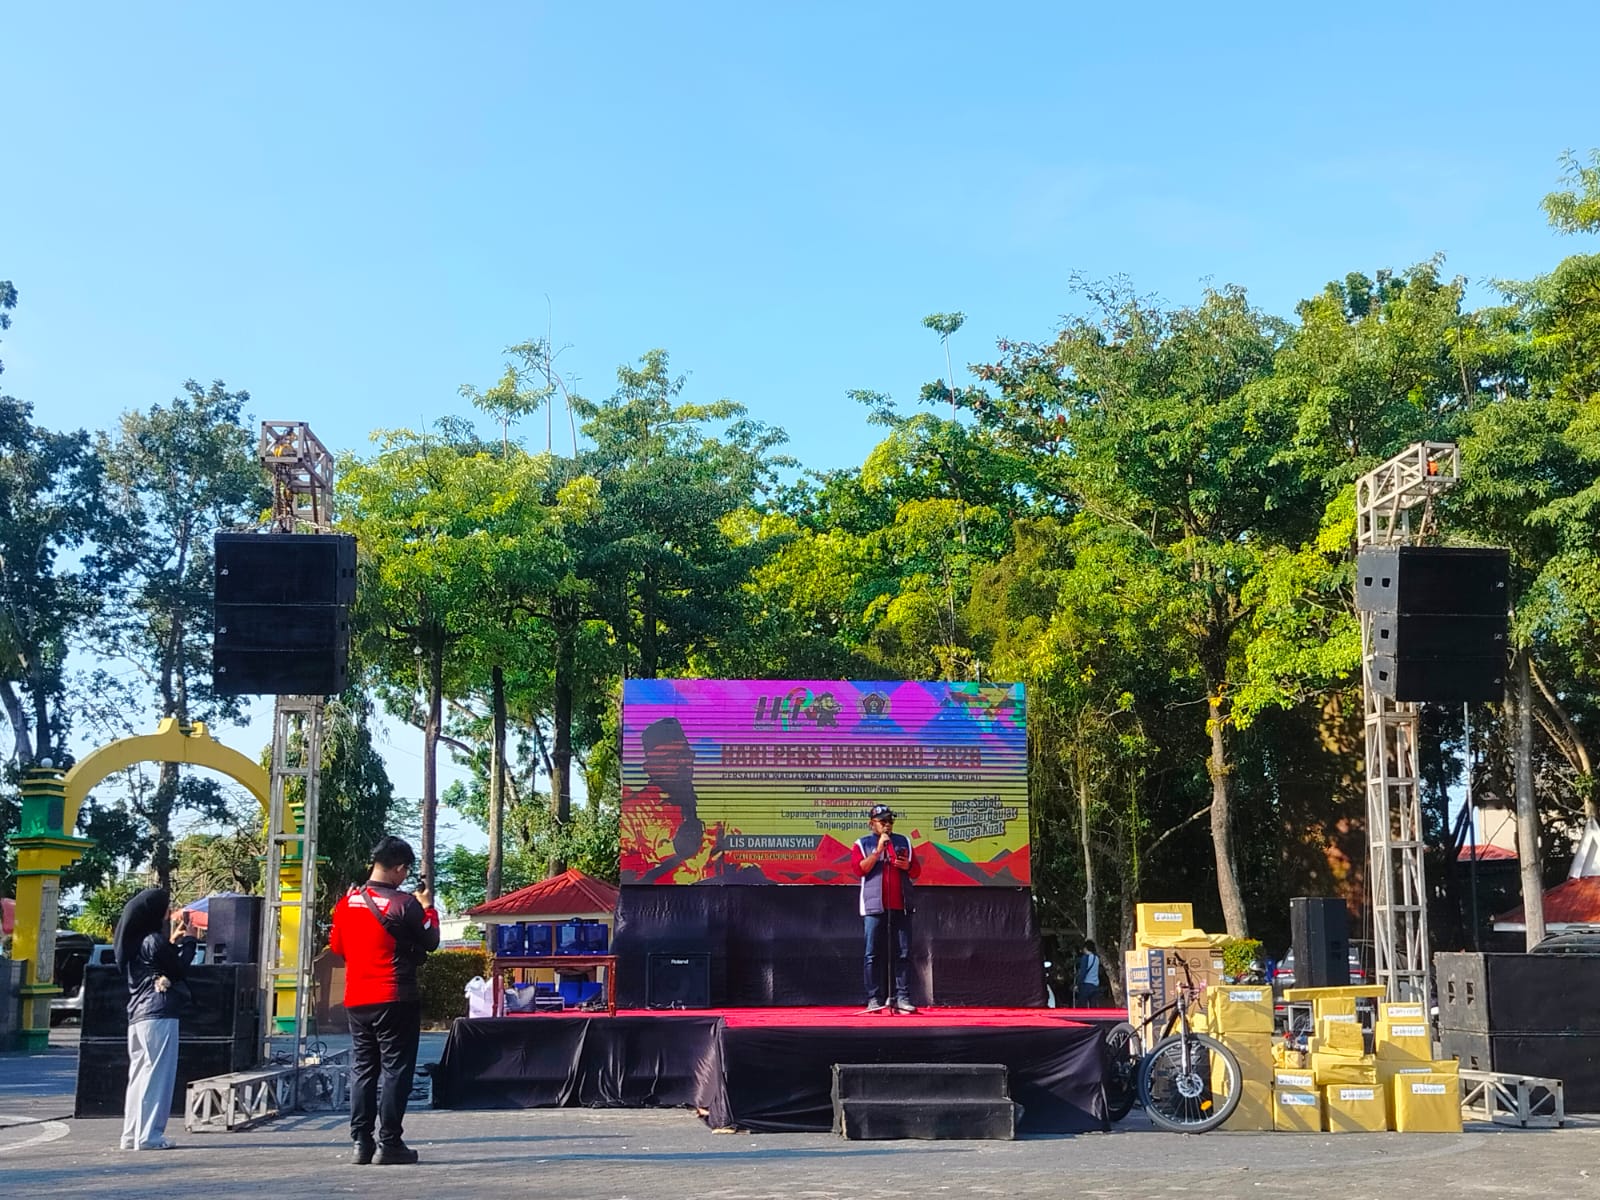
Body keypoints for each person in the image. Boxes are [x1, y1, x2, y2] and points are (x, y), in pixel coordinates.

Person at [329, 835, 440, 1165]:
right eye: (405, 871)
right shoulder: (404, 904)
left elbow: (337, 948)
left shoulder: (347, 902)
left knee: (363, 1069)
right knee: (395, 1070)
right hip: (394, 996)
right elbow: (431, 940)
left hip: (356, 999)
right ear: (399, 868)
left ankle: (361, 1142)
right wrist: (428, 906)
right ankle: (389, 1143)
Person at [115, 886, 196, 1151]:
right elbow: (178, 969)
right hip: (159, 1013)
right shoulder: (153, 940)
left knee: (139, 1076)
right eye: (166, 907)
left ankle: (131, 1134)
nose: (169, 912)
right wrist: (190, 941)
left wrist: (173, 942)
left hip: (138, 1015)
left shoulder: (135, 942)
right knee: (158, 1077)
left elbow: (158, 963)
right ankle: (149, 1135)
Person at [855, 803, 921, 1013]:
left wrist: (907, 866)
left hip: (901, 905)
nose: (887, 825)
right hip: (874, 906)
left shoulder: (904, 841)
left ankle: (902, 998)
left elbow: (916, 871)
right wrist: (877, 851)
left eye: (890, 821)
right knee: (872, 954)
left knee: (903, 953)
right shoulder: (862, 844)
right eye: (882, 821)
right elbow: (859, 869)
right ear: (871, 824)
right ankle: (874, 998)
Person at [1074, 939, 1106, 1008]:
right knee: (1093, 1007)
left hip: (1086, 985)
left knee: (1082, 1006)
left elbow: (1083, 973)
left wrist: (1077, 985)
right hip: (1095, 985)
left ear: (1085, 948)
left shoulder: (1085, 958)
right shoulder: (1097, 958)